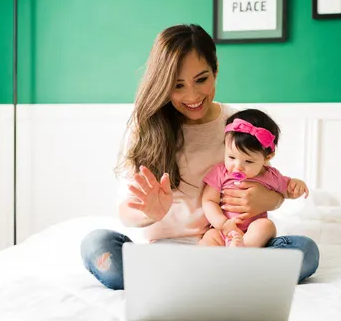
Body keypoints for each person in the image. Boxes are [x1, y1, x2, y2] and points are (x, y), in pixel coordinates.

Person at [81, 24, 319, 290]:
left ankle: (203, 277)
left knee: (306, 251)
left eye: (201, 79)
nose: (192, 96)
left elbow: (264, 177)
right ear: (162, 84)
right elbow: (126, 212)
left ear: (216, 68)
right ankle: (228, 279)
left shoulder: (237, 125)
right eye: (178, 85)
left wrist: (272, 200)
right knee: (96, 244)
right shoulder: (144, 129)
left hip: (229, 246)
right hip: (166, 252)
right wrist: (150, 213)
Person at [200, 108, 309, 248]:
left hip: (253, 231)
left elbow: (288, 191)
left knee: (266, 226)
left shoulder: (271, 176)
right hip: (225, 229)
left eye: (249, 161)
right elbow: (208, 200)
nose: (237, 166)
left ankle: (243, 248)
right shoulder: (220, 172)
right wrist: (222, 223)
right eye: (231, 157)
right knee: (209, 238)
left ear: (267, 158)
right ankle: (216, 258)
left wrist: (297, 185)